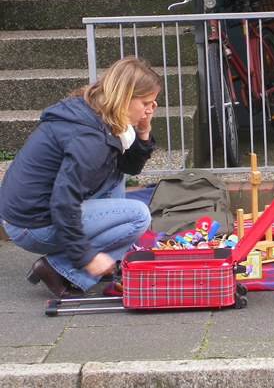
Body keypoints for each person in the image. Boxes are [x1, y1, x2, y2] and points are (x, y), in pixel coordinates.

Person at [0, 56, 160, 298]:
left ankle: (103, 259)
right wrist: (86, 256)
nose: (150, 109)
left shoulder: (95, 110)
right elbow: (64, 202)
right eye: (146, 103)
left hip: (28, 211)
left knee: (116, 171)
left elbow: (130, 167)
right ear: (124, 97)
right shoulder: (90, 139)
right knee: (138, 216)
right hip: (31, 226)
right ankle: (57, 268)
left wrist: (144, 130)